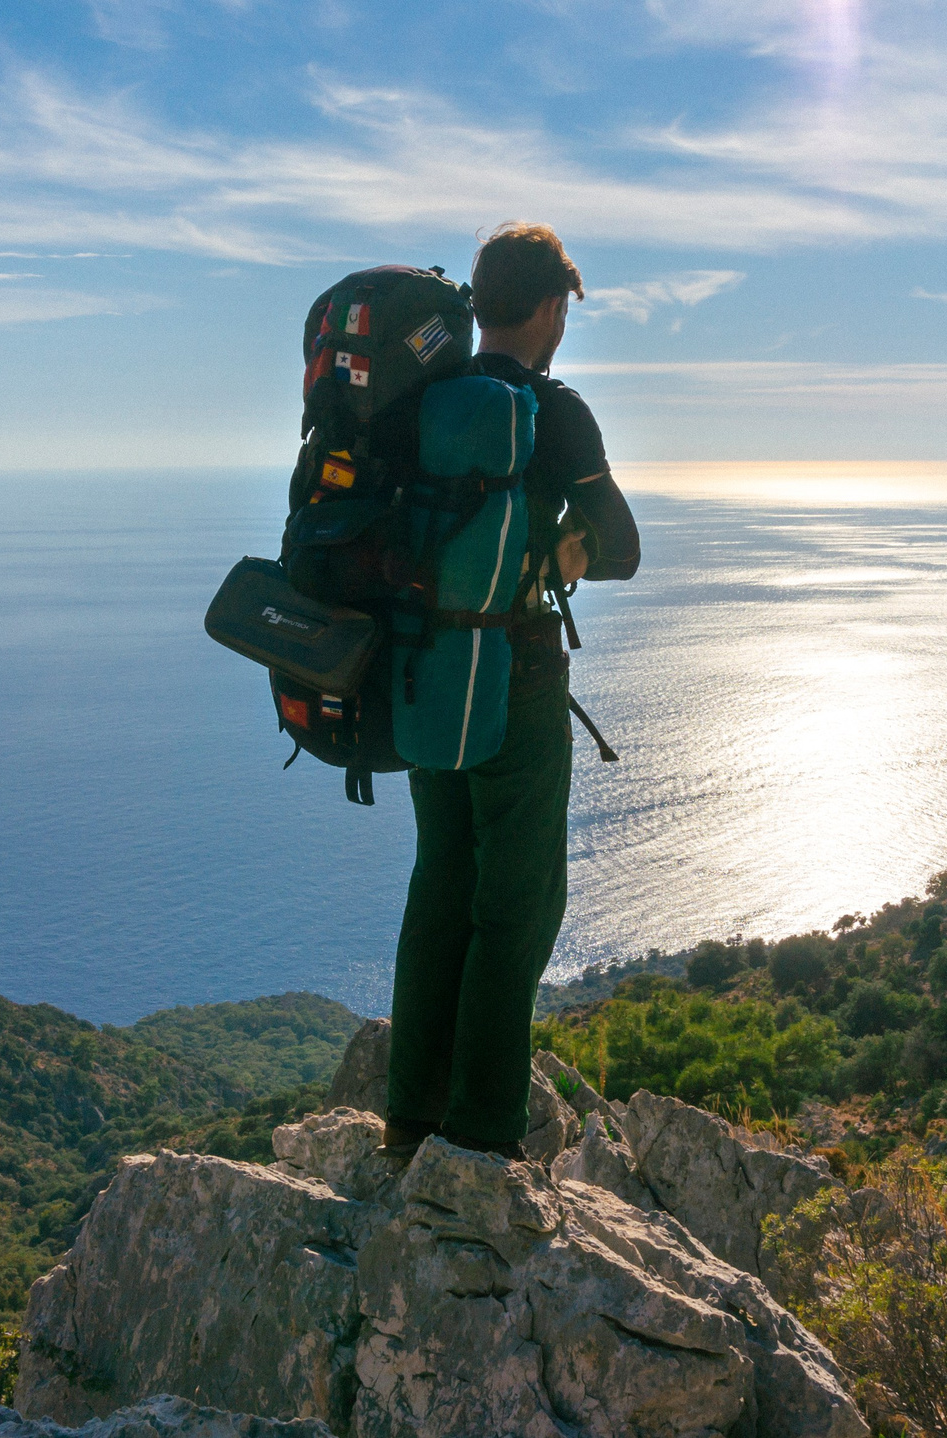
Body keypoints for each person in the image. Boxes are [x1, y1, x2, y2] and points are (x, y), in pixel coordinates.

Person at [382, 223, 642, 1161]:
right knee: (518, 904)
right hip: (519, 684)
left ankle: (408, 1120)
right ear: (547, 307)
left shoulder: (419, 397)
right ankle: (485, 1134)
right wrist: (567, 548)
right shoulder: (555, 410)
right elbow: (624, 546)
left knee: (440, 882)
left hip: (423, 679)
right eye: (565, 306)